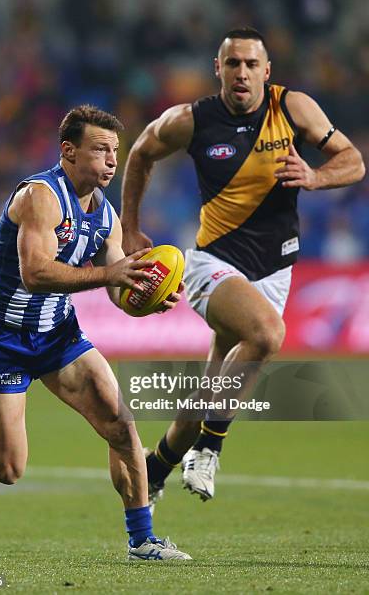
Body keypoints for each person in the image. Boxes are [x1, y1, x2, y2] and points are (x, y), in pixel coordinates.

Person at [120, 27, 365, 510]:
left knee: (214, 388)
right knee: (269, 335)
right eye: (233, 63)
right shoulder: (191, 120)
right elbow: (141, 152)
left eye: (252, 64)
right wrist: (130, 228)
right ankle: (211, 448)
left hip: (275, 271)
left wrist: (315, 176)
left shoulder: (293, 108)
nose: (242, 73)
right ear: (218, 69)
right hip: (213, 264)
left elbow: (353, 161)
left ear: (266, 71)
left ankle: (156, 468)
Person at [0, 105, 191, 561]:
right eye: (100, 150)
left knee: (122, 426)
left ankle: (143, 540)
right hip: (0, 339)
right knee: (8, 470)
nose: (112, 161)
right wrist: (112, 274)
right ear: (68, 151)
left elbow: (118, 289)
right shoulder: (40, 197)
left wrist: (146, 296)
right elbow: (36, 274)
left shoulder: (106, 216)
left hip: (57, 334)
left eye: (115, 151)